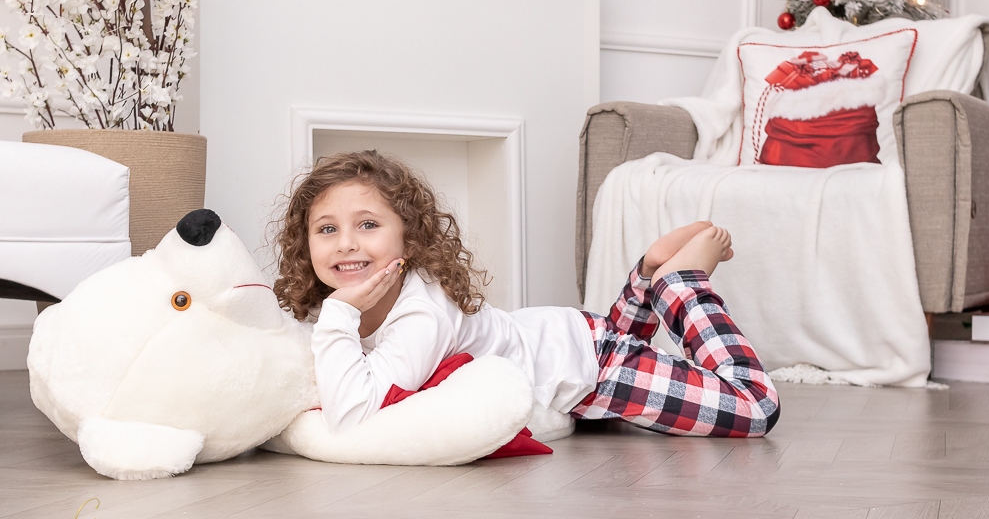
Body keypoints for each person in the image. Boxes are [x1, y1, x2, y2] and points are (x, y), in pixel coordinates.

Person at [273, 150, 779, 438]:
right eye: (326, 229)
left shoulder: (420, 313)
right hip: (559, 333)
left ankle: (678, 281)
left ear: (409, 236)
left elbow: (354, 416)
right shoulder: (328, 303)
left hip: (591, 368)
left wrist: (339, 314)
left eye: (367, 224)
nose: (346, 244)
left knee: (754, 408)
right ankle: (647, 273)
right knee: (615, 335)